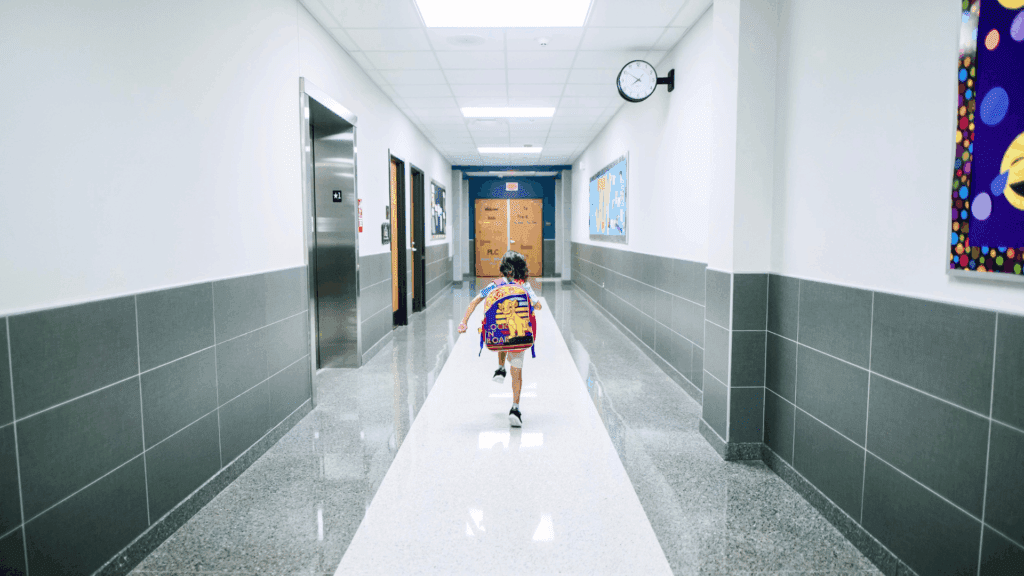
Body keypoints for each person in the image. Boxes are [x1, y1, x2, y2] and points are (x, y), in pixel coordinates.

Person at [458, 251, 542, 427]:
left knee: (501, 334)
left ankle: (500, 368)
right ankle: (515, 408)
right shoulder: (525, 286)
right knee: (517, 372)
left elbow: (474, 302)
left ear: (504, 269)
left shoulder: (495, 284)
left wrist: (464, 322)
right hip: (520, 336)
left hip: (498, 336)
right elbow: (538, 305)